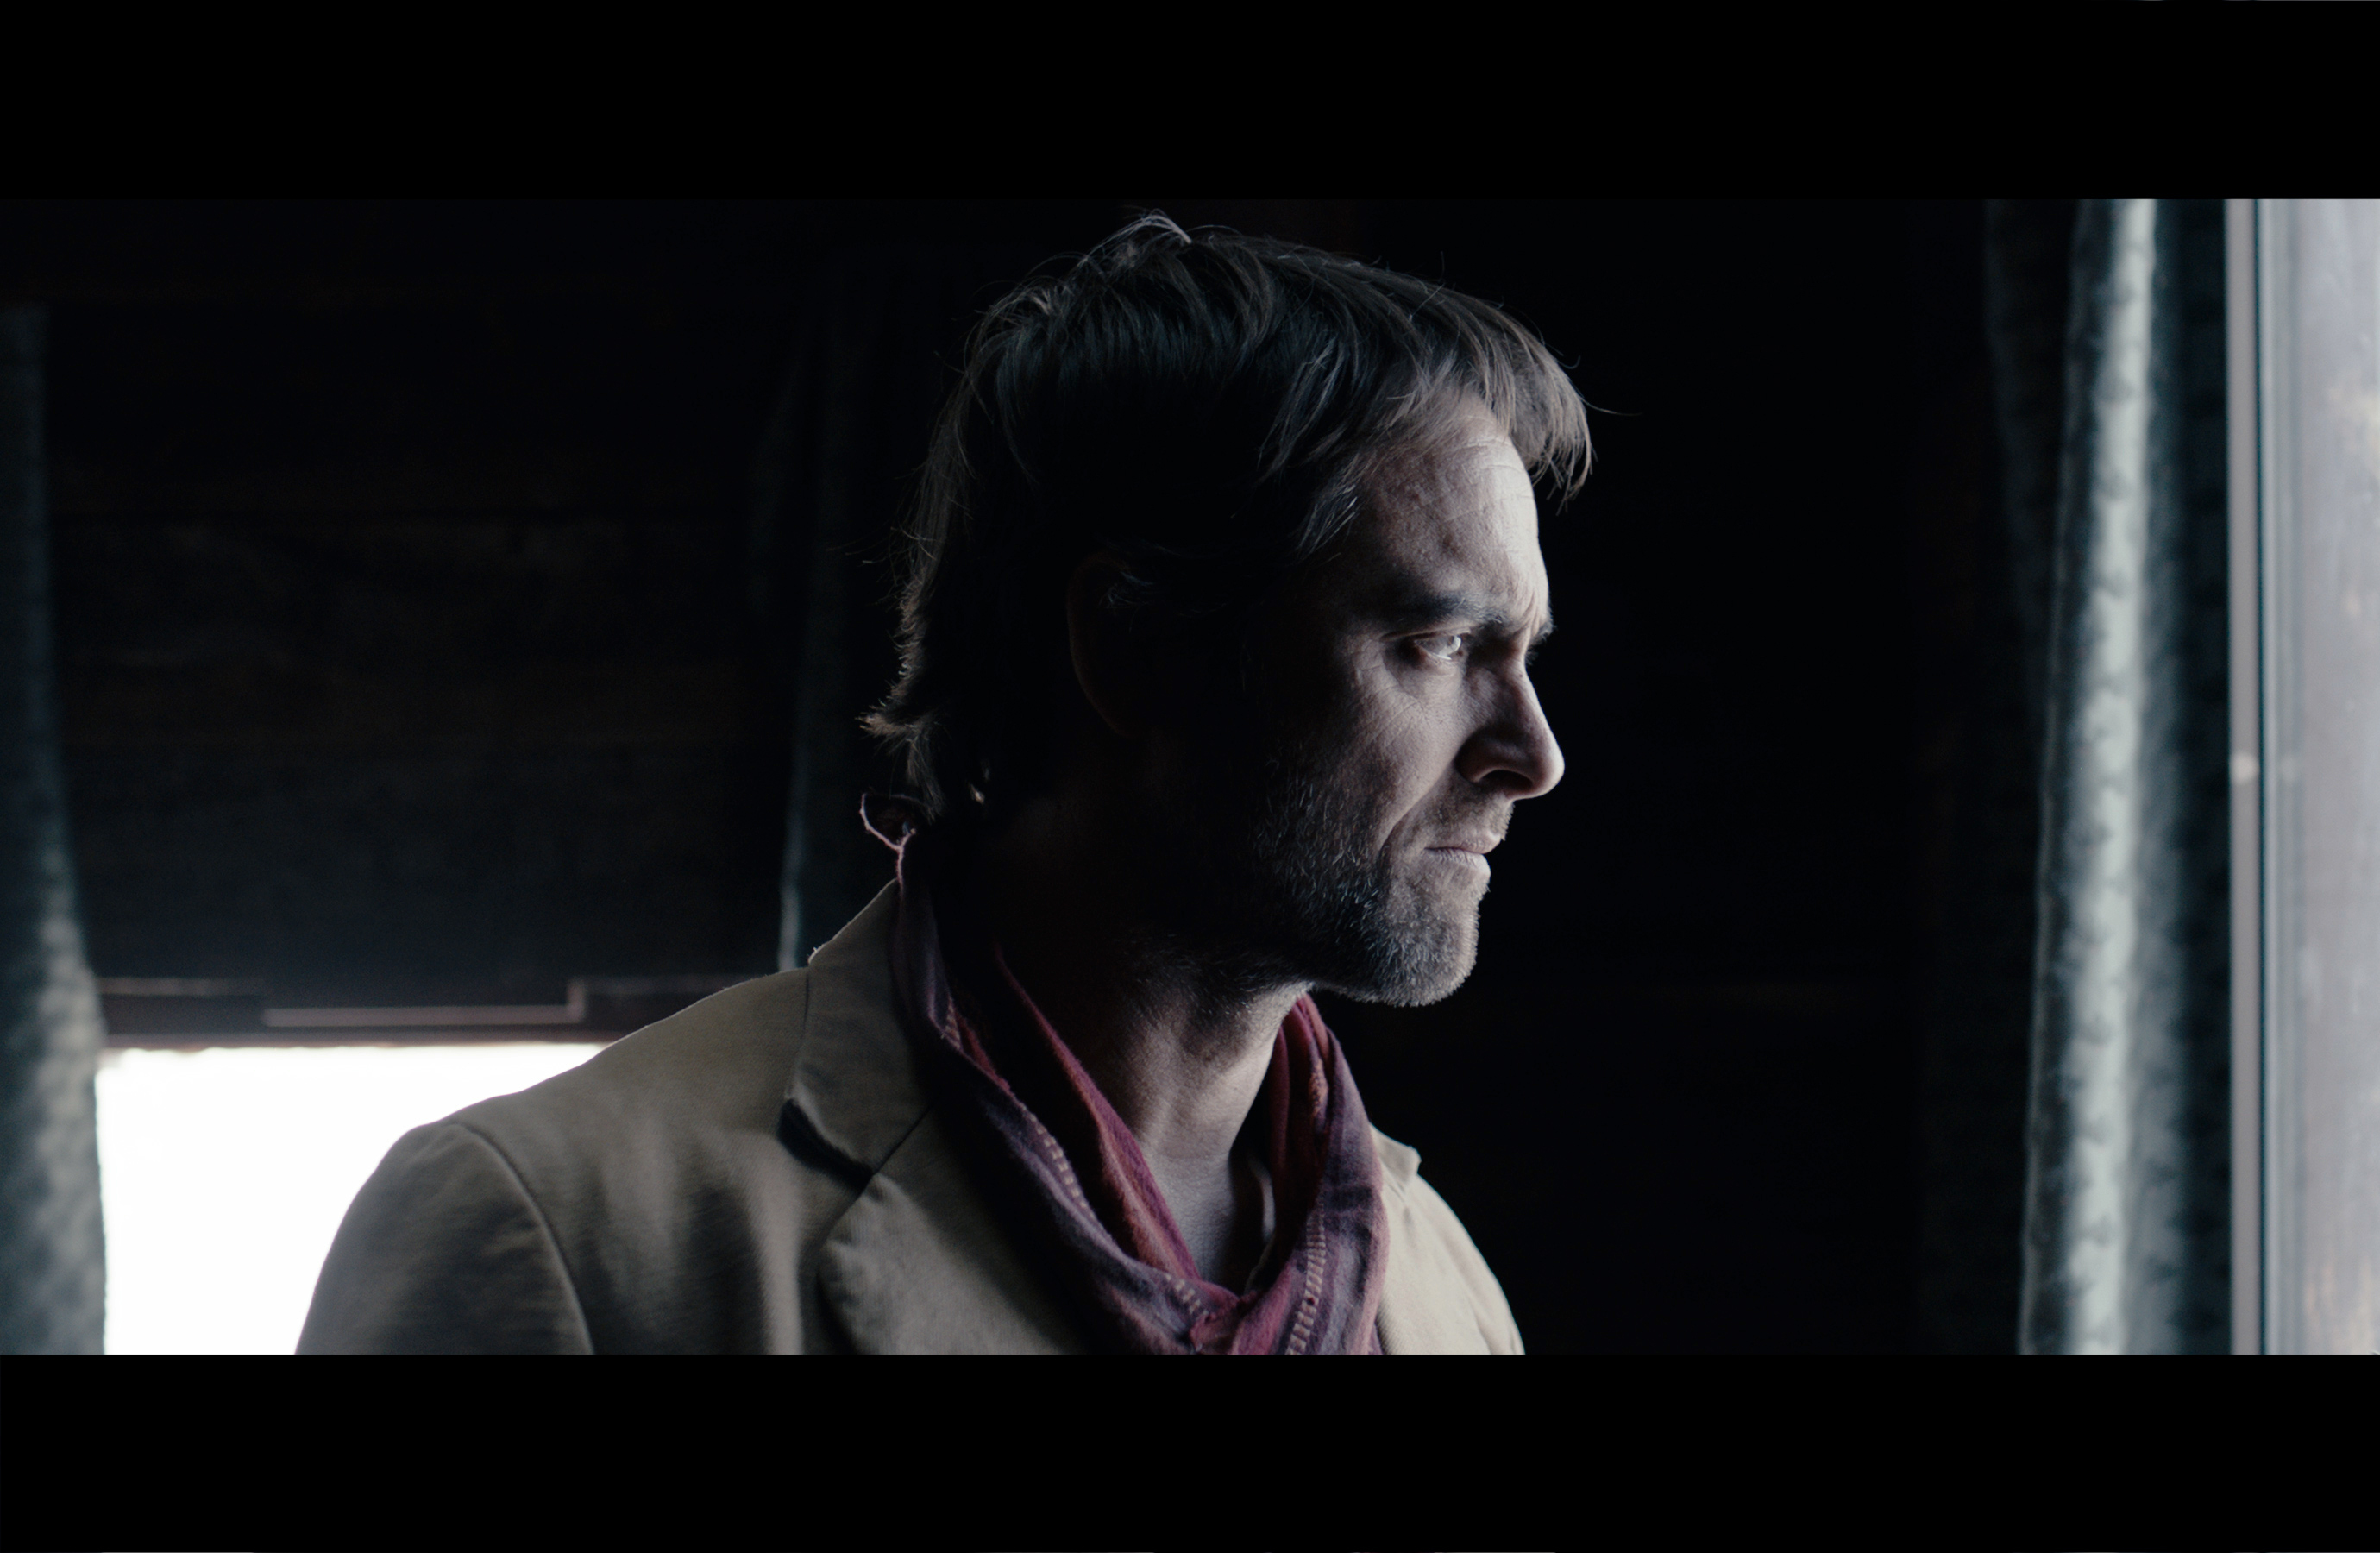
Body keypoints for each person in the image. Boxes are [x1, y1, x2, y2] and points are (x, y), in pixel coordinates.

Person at [298, 215, 1583, 1353]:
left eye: (1524, 656)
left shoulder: (1443, 1288)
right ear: (1134, 650)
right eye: (1438, 645)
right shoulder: (567, 1235)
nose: (1533, 755)